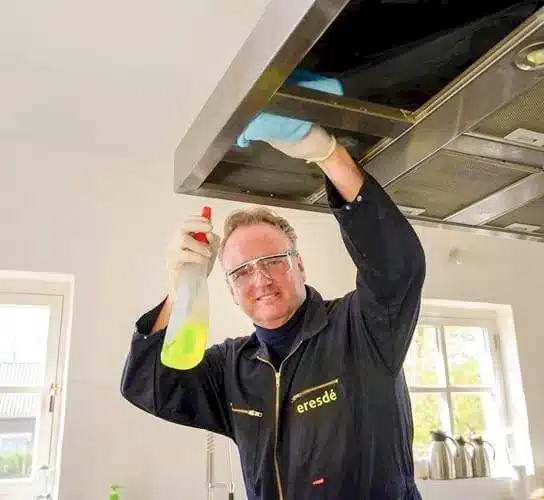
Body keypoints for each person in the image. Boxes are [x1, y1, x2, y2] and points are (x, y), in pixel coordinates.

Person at [120, 120, 427, 499]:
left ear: (299, 265)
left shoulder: (360, 329)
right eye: (242, 271)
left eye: (273, 261)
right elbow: (150, 385)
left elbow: (397, 266)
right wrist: (183, 285)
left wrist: (329, 155)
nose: (261, 279)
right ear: (232, 291)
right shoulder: (232, 368)